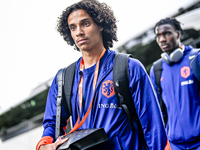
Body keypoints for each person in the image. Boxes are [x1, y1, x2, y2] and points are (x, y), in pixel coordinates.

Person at [36, 0, 168, 149]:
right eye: (73, 27)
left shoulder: (128, 67)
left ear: (100, 25)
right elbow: (52, 124)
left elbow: (153, 127)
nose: (79, 32)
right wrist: (44, 146)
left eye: (85, 24)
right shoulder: (63, 79)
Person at [150, 17, 200, 150]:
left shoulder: (196, 58)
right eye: (158, 35)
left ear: (178, 34)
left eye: (167, 33)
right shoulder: (157, 69)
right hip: (175, 144)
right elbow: (160, 110)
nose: (162, 39)